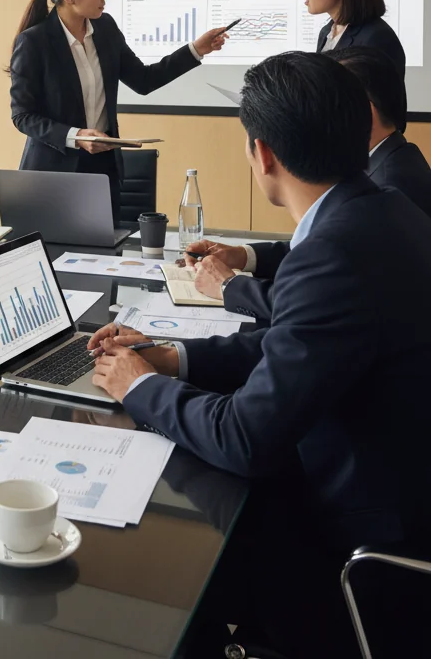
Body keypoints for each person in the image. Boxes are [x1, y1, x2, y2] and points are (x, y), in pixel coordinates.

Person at [87, 51, 431, 657]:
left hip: (365, 544)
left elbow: (246, 438)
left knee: (180, 564)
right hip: (399, 486)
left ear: (263, 154)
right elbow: (294, 345)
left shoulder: (333, 252)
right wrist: (173, 358)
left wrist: (139, 386)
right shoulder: (383, 211)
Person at [190, 45, 431, 321]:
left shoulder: (393, 184)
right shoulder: (388, 167)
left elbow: (322, 293)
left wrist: (228, 286)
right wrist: (245, 256)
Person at [8, 0, 228, 218]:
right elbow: (23, 116)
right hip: (53, 175)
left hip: (103, 171)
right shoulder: (34, 42)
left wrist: (196, 49)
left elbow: (143, 80)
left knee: (104, 255)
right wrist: (75, 136)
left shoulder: (105, 29)